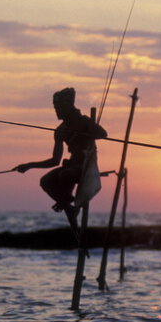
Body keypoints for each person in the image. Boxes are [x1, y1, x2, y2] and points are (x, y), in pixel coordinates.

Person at [14, 88, 107, 225]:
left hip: (87, 166)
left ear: (69, 106)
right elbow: (55, 160)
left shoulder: (84, 121)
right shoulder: (60, 131)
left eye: (59, 107)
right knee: (46, 181)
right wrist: (29, 165)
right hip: (71, 165)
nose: (57, 111)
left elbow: (103, 134)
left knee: (66, 175)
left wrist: (85, 132)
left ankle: (65, 203)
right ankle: (67, 205)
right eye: (55, 107)